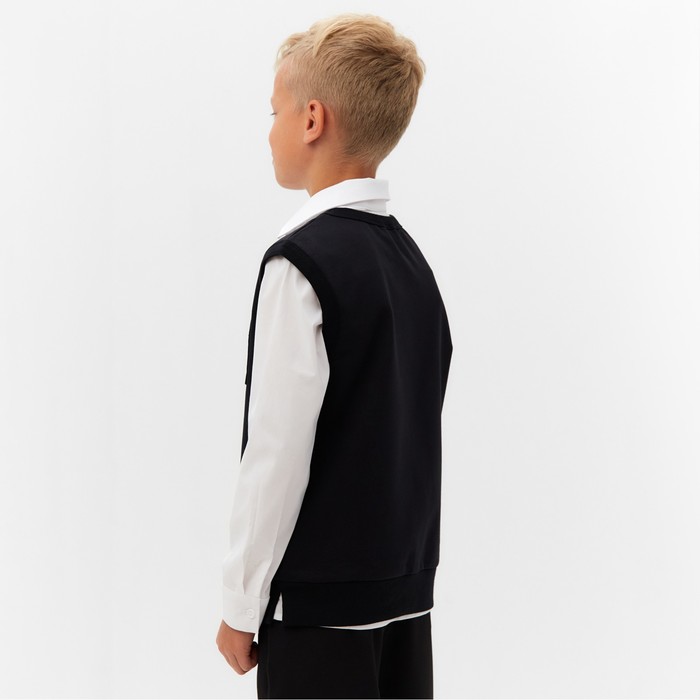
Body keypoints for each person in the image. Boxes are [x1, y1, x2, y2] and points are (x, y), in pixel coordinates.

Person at [215, 12, 453, 699]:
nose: (269, 131)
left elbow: (278, 451)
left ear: (312, 119)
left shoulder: (301, 263)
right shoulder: (411, 262)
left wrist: (241, 602)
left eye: (275, 112)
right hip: (403, 598)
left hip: (318, 613)